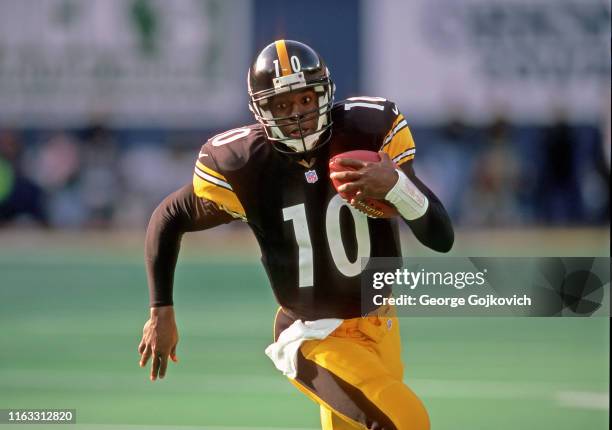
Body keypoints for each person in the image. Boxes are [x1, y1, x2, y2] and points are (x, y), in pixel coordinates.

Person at [138, 40, 453, 430]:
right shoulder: (245, 165)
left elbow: (441, 236)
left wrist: (397, 188)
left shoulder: (366, 133)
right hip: (313, 334)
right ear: (261, 111)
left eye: (305, 99)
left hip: (380, 321)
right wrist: (161, 311)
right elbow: (169, 216)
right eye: (282, 106)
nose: (298, 115)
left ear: (324, 94)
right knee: (406, 421)